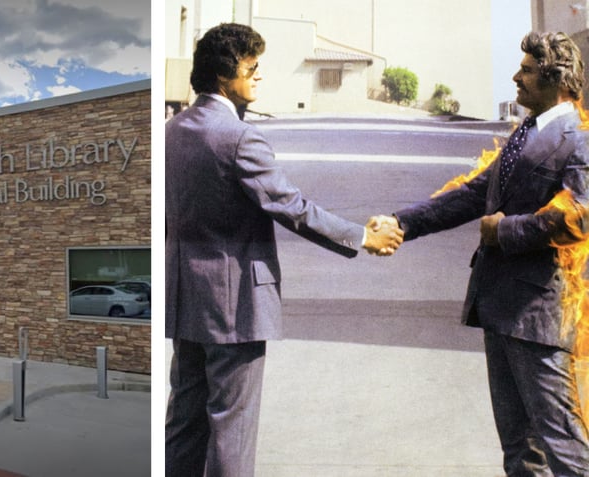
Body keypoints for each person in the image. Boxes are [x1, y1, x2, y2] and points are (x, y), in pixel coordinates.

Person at [165, 23, 403, 477]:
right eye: (251, 67)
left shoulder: (171, 131)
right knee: (231, 430)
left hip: (186, 301)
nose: (259, 76)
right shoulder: (238, 138)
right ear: (223, 76)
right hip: (234, 308)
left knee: (184, 425)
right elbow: (290, 206)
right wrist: (361, 236)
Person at [375, 31, 589, 475]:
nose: (516, 77)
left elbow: (579, 216)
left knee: (563, 444)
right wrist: (403, 222)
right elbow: (475, 194)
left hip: (539, 315)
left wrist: (504, 230)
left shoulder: (579, 138)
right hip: (501, 308)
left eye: (528, 70)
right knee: (519, 447)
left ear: (559, 79)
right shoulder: (526, 133)